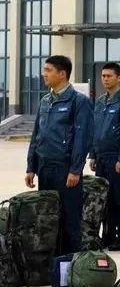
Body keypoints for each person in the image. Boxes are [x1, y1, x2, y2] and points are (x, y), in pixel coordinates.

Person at [25, 56, 93, 254]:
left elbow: (83, 137)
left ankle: (70, 263)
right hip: (45, 168)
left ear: (62, 74)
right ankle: (52, 263)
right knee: (47, 218)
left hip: (65, 170)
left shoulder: (78, 101)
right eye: (44, 70)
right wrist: (31, 167)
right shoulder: (45, 101)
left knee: (69, 219)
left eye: (48, 70)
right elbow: (37, 135)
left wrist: (75, 169)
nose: (44, 74)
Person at [89, 62, 120, 251]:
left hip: (116, 159)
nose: (105, 79)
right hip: (101, 158)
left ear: (119, 78)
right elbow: (95, 130)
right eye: (103, 76)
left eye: (109, 76)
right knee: (104, 199)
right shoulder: (100, 102)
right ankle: (108, 236)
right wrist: (93, 154)